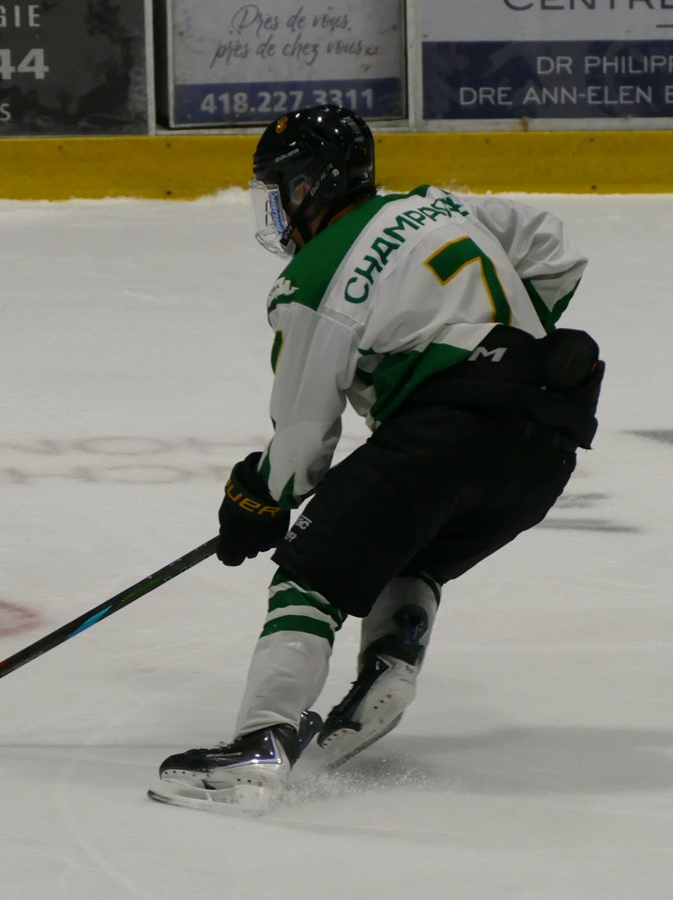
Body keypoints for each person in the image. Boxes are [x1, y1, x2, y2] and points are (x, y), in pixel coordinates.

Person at [148, 105, 603, 813]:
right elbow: (553, 250)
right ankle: (388, 667)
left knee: (311, 575)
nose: (274, 209)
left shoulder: (315, 276)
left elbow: (303, 439)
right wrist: (502, 347)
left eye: (278, 190)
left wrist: (257, 500)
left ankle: (258, 750)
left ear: (305, 190)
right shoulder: (437, 205)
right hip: (549, 438)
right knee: (406, 548)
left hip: (450, 433)